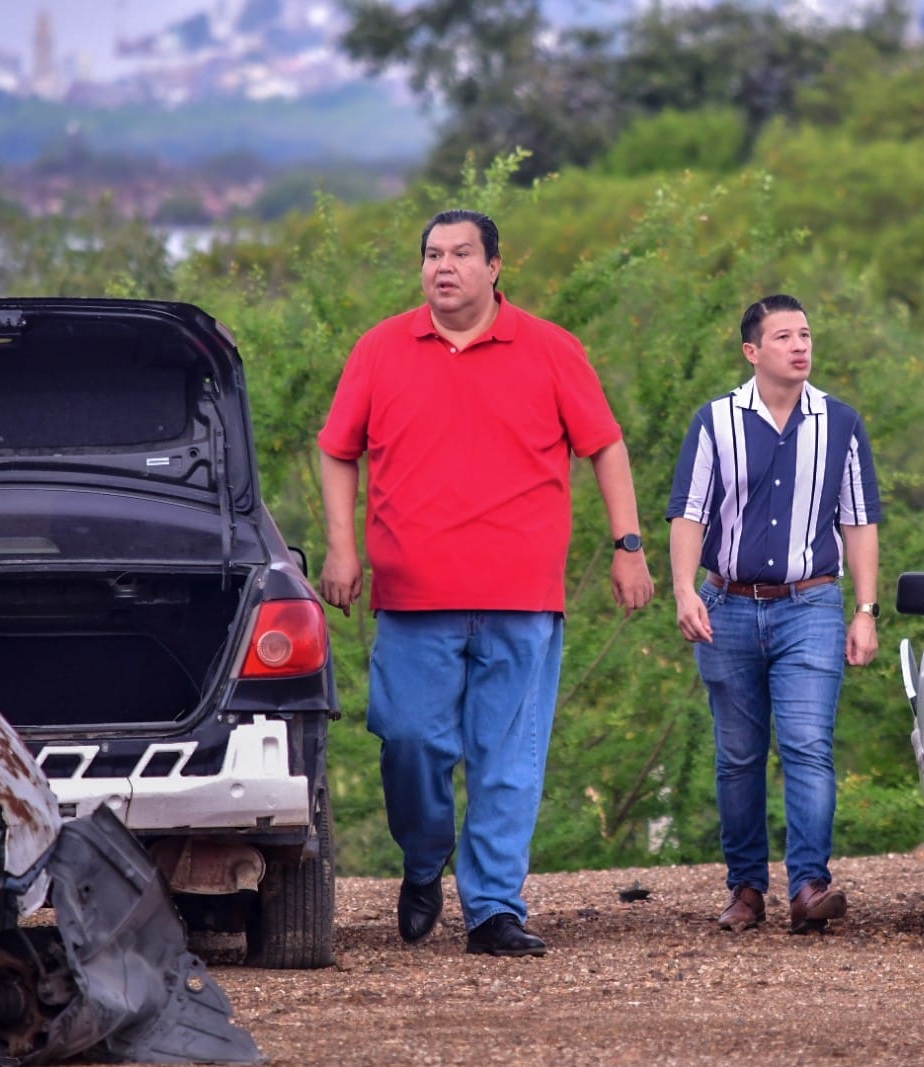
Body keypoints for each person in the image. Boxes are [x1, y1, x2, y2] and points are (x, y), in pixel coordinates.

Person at [316, 208, 654, 958]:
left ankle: (495, 907)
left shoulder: (552, 348)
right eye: (433, 254)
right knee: (409, 742)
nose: (445, 266)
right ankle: (423, 857)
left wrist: (628, 545)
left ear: (495, 267)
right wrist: (343, 549)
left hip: (522, 595)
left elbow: (605, 445)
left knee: (508, 759)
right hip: (411, 594)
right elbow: (338, 450)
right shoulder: (380, 348)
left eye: (462, 253)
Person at [666, 293, 882, 934]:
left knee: (808, 746)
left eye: (805, 334)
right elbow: (689, 513)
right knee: (738, 755)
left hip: (810, 604)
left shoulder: (841, 423)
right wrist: (683, 591)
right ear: (752, 351)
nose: (799, 345)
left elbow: (859, 521)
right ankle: (745, 889)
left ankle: (810, 886)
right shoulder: (715, 421)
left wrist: (865, 610)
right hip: (727, 605)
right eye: (784, 336)